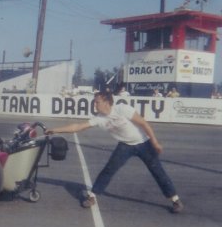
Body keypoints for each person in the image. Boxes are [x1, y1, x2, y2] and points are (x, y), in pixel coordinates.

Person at [46, 91, 184, 213]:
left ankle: (175, 200)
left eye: (97, 102)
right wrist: (55, 130)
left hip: (144, 143)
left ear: (107, 102)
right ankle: (92, 196)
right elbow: (78, 126)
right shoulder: (99, 118)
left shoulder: (122, 109)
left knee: (157, 171)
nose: (95, 105)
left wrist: (154, 142)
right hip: (125, 146)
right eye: (94, 102)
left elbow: (144, 123)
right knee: (109, 170)